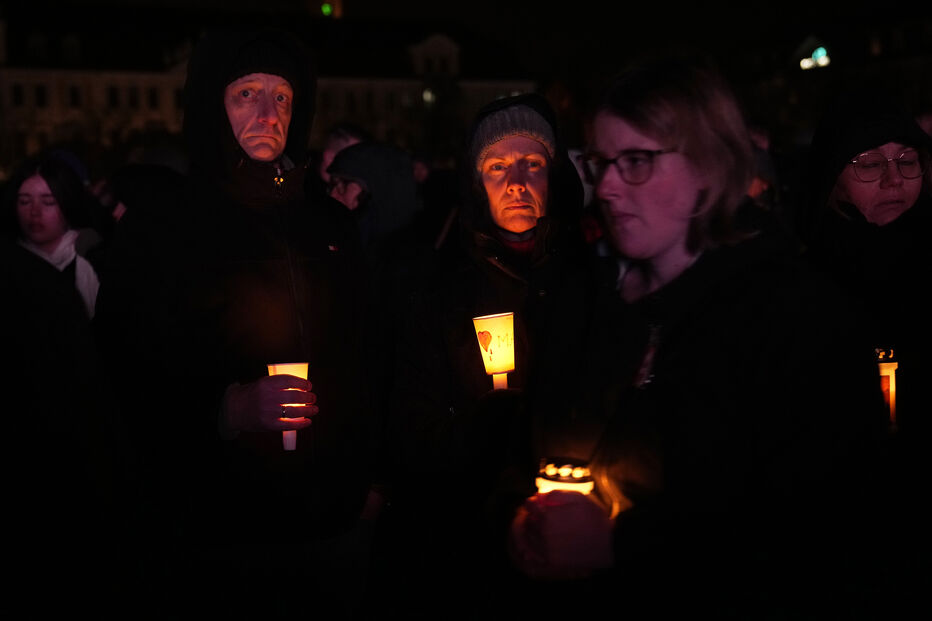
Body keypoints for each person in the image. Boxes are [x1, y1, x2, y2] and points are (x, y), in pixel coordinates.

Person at [506, 55, 891, 619]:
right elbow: (522, 440)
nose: (608, 187)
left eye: (636, 161)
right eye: (600, 162)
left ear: (711, 164)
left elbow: (823, 530)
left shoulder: (800, 317)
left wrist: (619, 545)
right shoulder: (583, 297)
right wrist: (524, 523)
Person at [93, 26, 374, 619]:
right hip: (214, 532)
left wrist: (368, 480)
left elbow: (371, 354)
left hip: (328, 528)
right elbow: (123, 373)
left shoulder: (330, 226)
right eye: (247, 93)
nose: (268, 112)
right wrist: (225, 409)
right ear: (210, 104)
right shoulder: (162, 227)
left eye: (283, 96)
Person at [376, 92, 602, 618]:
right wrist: (485, 427)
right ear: (476, 184)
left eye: (533, 164)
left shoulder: (592, 284)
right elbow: (410, 436)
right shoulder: (438, 293)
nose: (517, 182)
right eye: (498, 166)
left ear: (558, 177)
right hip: (462, 555)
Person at [797, 87, 932, 611]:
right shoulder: (803, 285)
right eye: (868, 162)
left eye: (906, 160)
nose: (894, 178)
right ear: (832, 174)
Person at [3, 151, 101, 319]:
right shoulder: (8, 262)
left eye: (48, 202)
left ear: (67, 203)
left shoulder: (93, 262)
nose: (34, 212)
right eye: (25, 201)